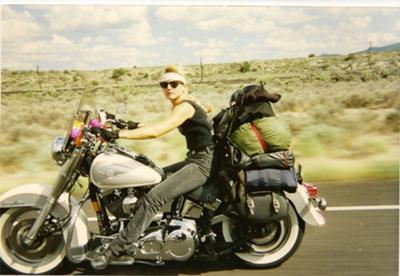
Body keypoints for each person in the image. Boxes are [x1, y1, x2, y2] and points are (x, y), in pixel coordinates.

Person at [91, 65, 216, 269]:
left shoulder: (185, 106)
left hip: (203, 162)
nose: (168, 87)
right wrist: (126, 124)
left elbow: (158, 131)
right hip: (195, 158)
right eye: (164, 84)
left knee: (153, 198)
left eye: (174, 83)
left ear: (183, 86)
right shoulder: (180, 106)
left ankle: (118, 248)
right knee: (152, 179)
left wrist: (117, 135)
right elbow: (157, 124)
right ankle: (138, 238)